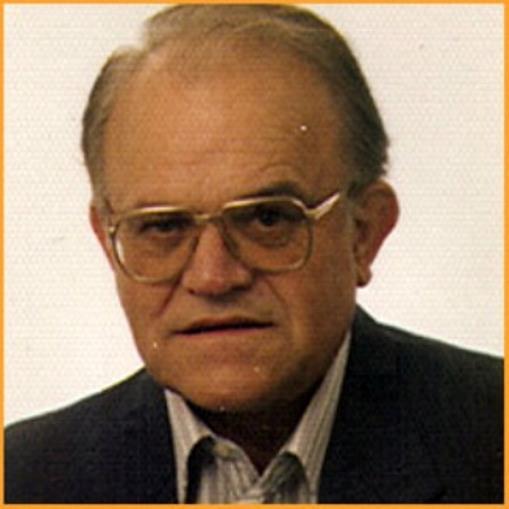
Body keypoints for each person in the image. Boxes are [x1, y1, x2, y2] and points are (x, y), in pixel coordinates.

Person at [5, 4, 503, 504]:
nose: (213, 277)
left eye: (267, 219)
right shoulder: (24, 479)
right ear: (108, 243)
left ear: (364, 232)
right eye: (163, 226)